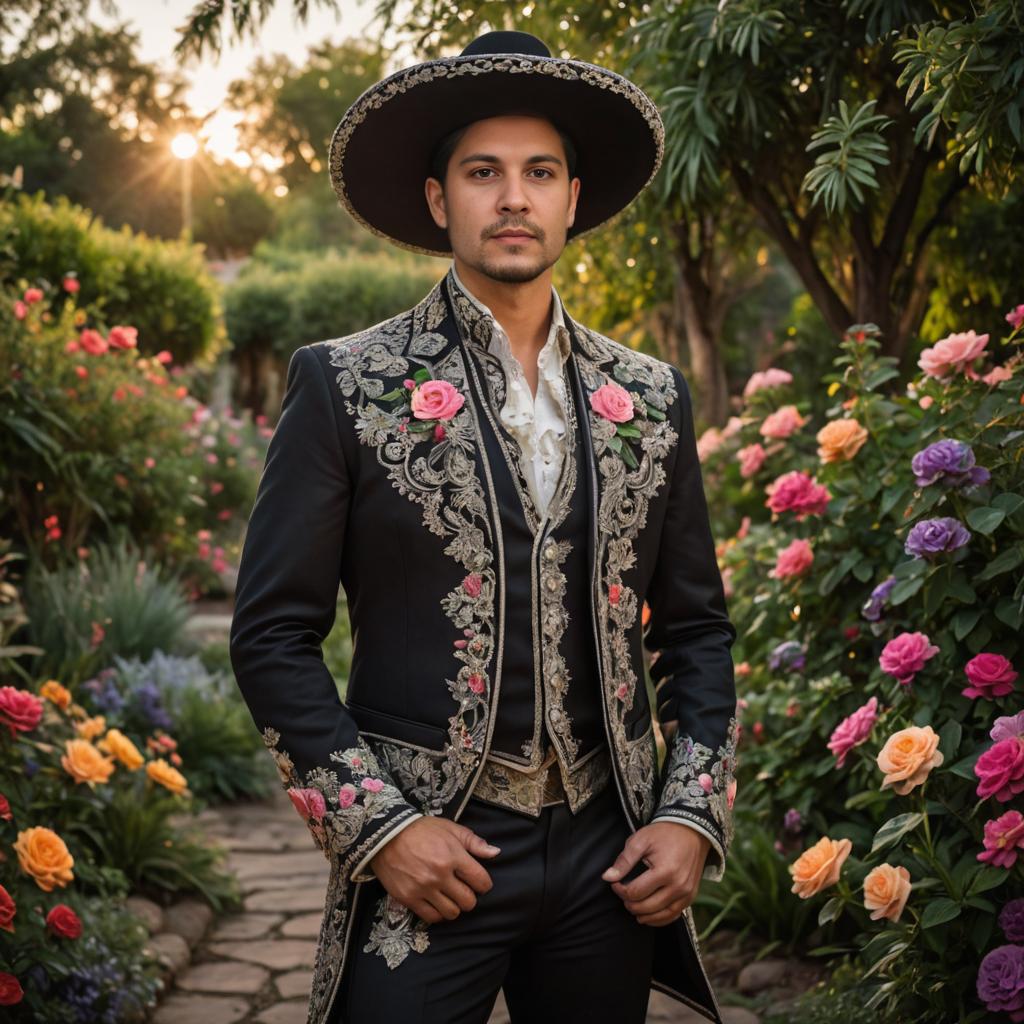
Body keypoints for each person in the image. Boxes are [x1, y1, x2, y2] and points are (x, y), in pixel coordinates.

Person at [229, 29, 739, 1024]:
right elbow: (270, 634)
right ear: (437, 200)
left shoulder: (651, 394)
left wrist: (688, 816)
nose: (514, 197)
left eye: (539, 172)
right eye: (483, 172)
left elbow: (698, 632)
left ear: (572, 199)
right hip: (430, 851)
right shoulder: (345, 383)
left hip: (607, 858)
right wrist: (378, 828)